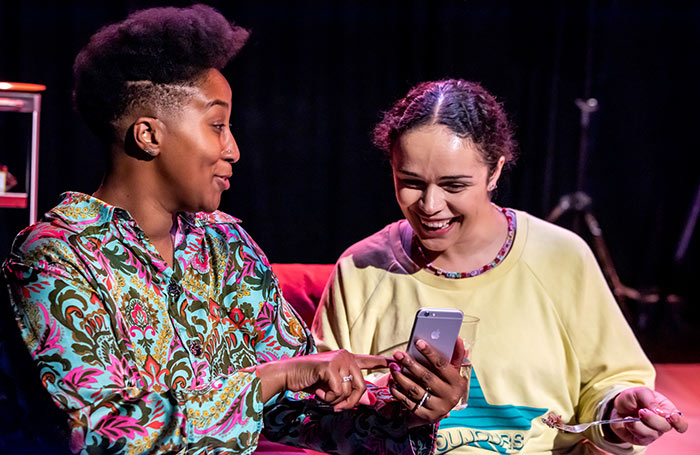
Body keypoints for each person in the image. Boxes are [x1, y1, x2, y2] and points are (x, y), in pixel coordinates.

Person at [0, 6, 465, 454]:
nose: (234, 149)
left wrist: (408, 412)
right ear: (149, 135)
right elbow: (100, 435)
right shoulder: (55, 257)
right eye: (217, 125)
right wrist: (274, 377)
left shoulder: (224, 244)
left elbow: (296, 407)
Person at [312, 79, 688, 454]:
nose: (429, 205)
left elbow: (611, 381)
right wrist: (395, 410)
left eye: (454, 185)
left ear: (495, 172)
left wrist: (618, 412)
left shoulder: (561, 257)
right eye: (410, 182)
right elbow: (322, 414)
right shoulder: (362, 269)